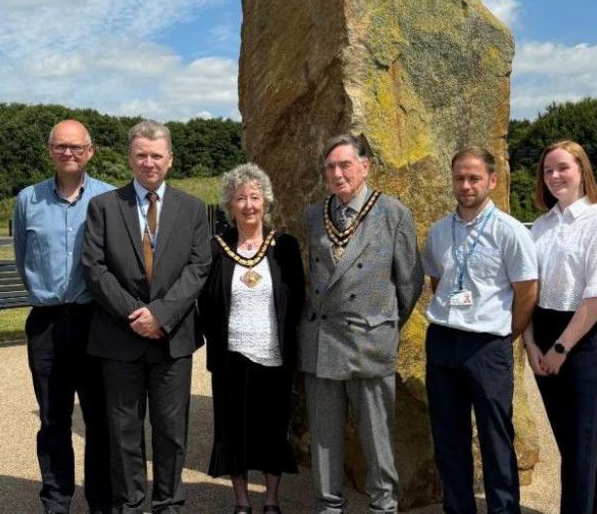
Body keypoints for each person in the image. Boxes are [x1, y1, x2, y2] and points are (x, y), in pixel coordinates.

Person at [81, 120, 210, 514]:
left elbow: (198, 267)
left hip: (172, 339)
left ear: (169, 160)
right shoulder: (103, 207)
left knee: (171, 432)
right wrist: (135, 316)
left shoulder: (193, 209)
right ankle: (131, 504)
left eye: (156, 155)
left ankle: (168, 503)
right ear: (129, 159)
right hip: (119, 338)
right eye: (141, 155)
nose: (149, 162)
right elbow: (94, 268)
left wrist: (160, 314)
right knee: (124, 432)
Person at [301, 134, 423, 514]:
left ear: (365, 166)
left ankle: (383, 508)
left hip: (370, 343)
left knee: (378, 440)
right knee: (324, 441)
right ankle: (328, 507)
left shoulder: (392, 213)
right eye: (330, 167)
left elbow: (410, 283)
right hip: (323, 343)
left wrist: (381, 323)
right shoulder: (314, 215)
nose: (337, 174)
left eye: (345, 165)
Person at [422, 146, 538, 514]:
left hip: (488, 346)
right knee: (448, 438)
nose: (466, 185)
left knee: (495, 437)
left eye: (474, 178)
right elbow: (436, 281)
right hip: (443, 342)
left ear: (492, 180)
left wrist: (506, 334)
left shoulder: (510, 232)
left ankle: (503, 509)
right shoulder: (439, 231)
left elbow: (527, 291)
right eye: (459, 178)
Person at [13, 119, 115, 514]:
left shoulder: (108, 198)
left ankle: (101, 500)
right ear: (49, 150)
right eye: (61, 146)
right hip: (47, 322)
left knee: (99, 420)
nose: (68, 153)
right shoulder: (28, 200)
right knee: (53, 418)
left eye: (76, 147)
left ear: (90, 151)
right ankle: (56, 500)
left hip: (96, 321)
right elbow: (24, 258)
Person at [523, 141, 597, 514]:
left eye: (563, 168)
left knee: (582, 440)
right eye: (548, 170)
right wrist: (531, 343)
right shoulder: (540, 226)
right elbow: (528, 291)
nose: (554, 177)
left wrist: (561, 349)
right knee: (570, 442)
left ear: (582, 170)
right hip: (543, 331)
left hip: (587, 337)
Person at [198, 163, 305, 514]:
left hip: (274, 356)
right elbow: (205, 301)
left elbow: (298, 299)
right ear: (230, 204)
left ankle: (271, 500)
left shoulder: (284, 247)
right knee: (234, 431)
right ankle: (242, 501)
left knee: (273, 428)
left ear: (266, 202)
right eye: (240, 198)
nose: (248, 205)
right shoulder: (216, 249)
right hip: (231, 359)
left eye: (255, 197)